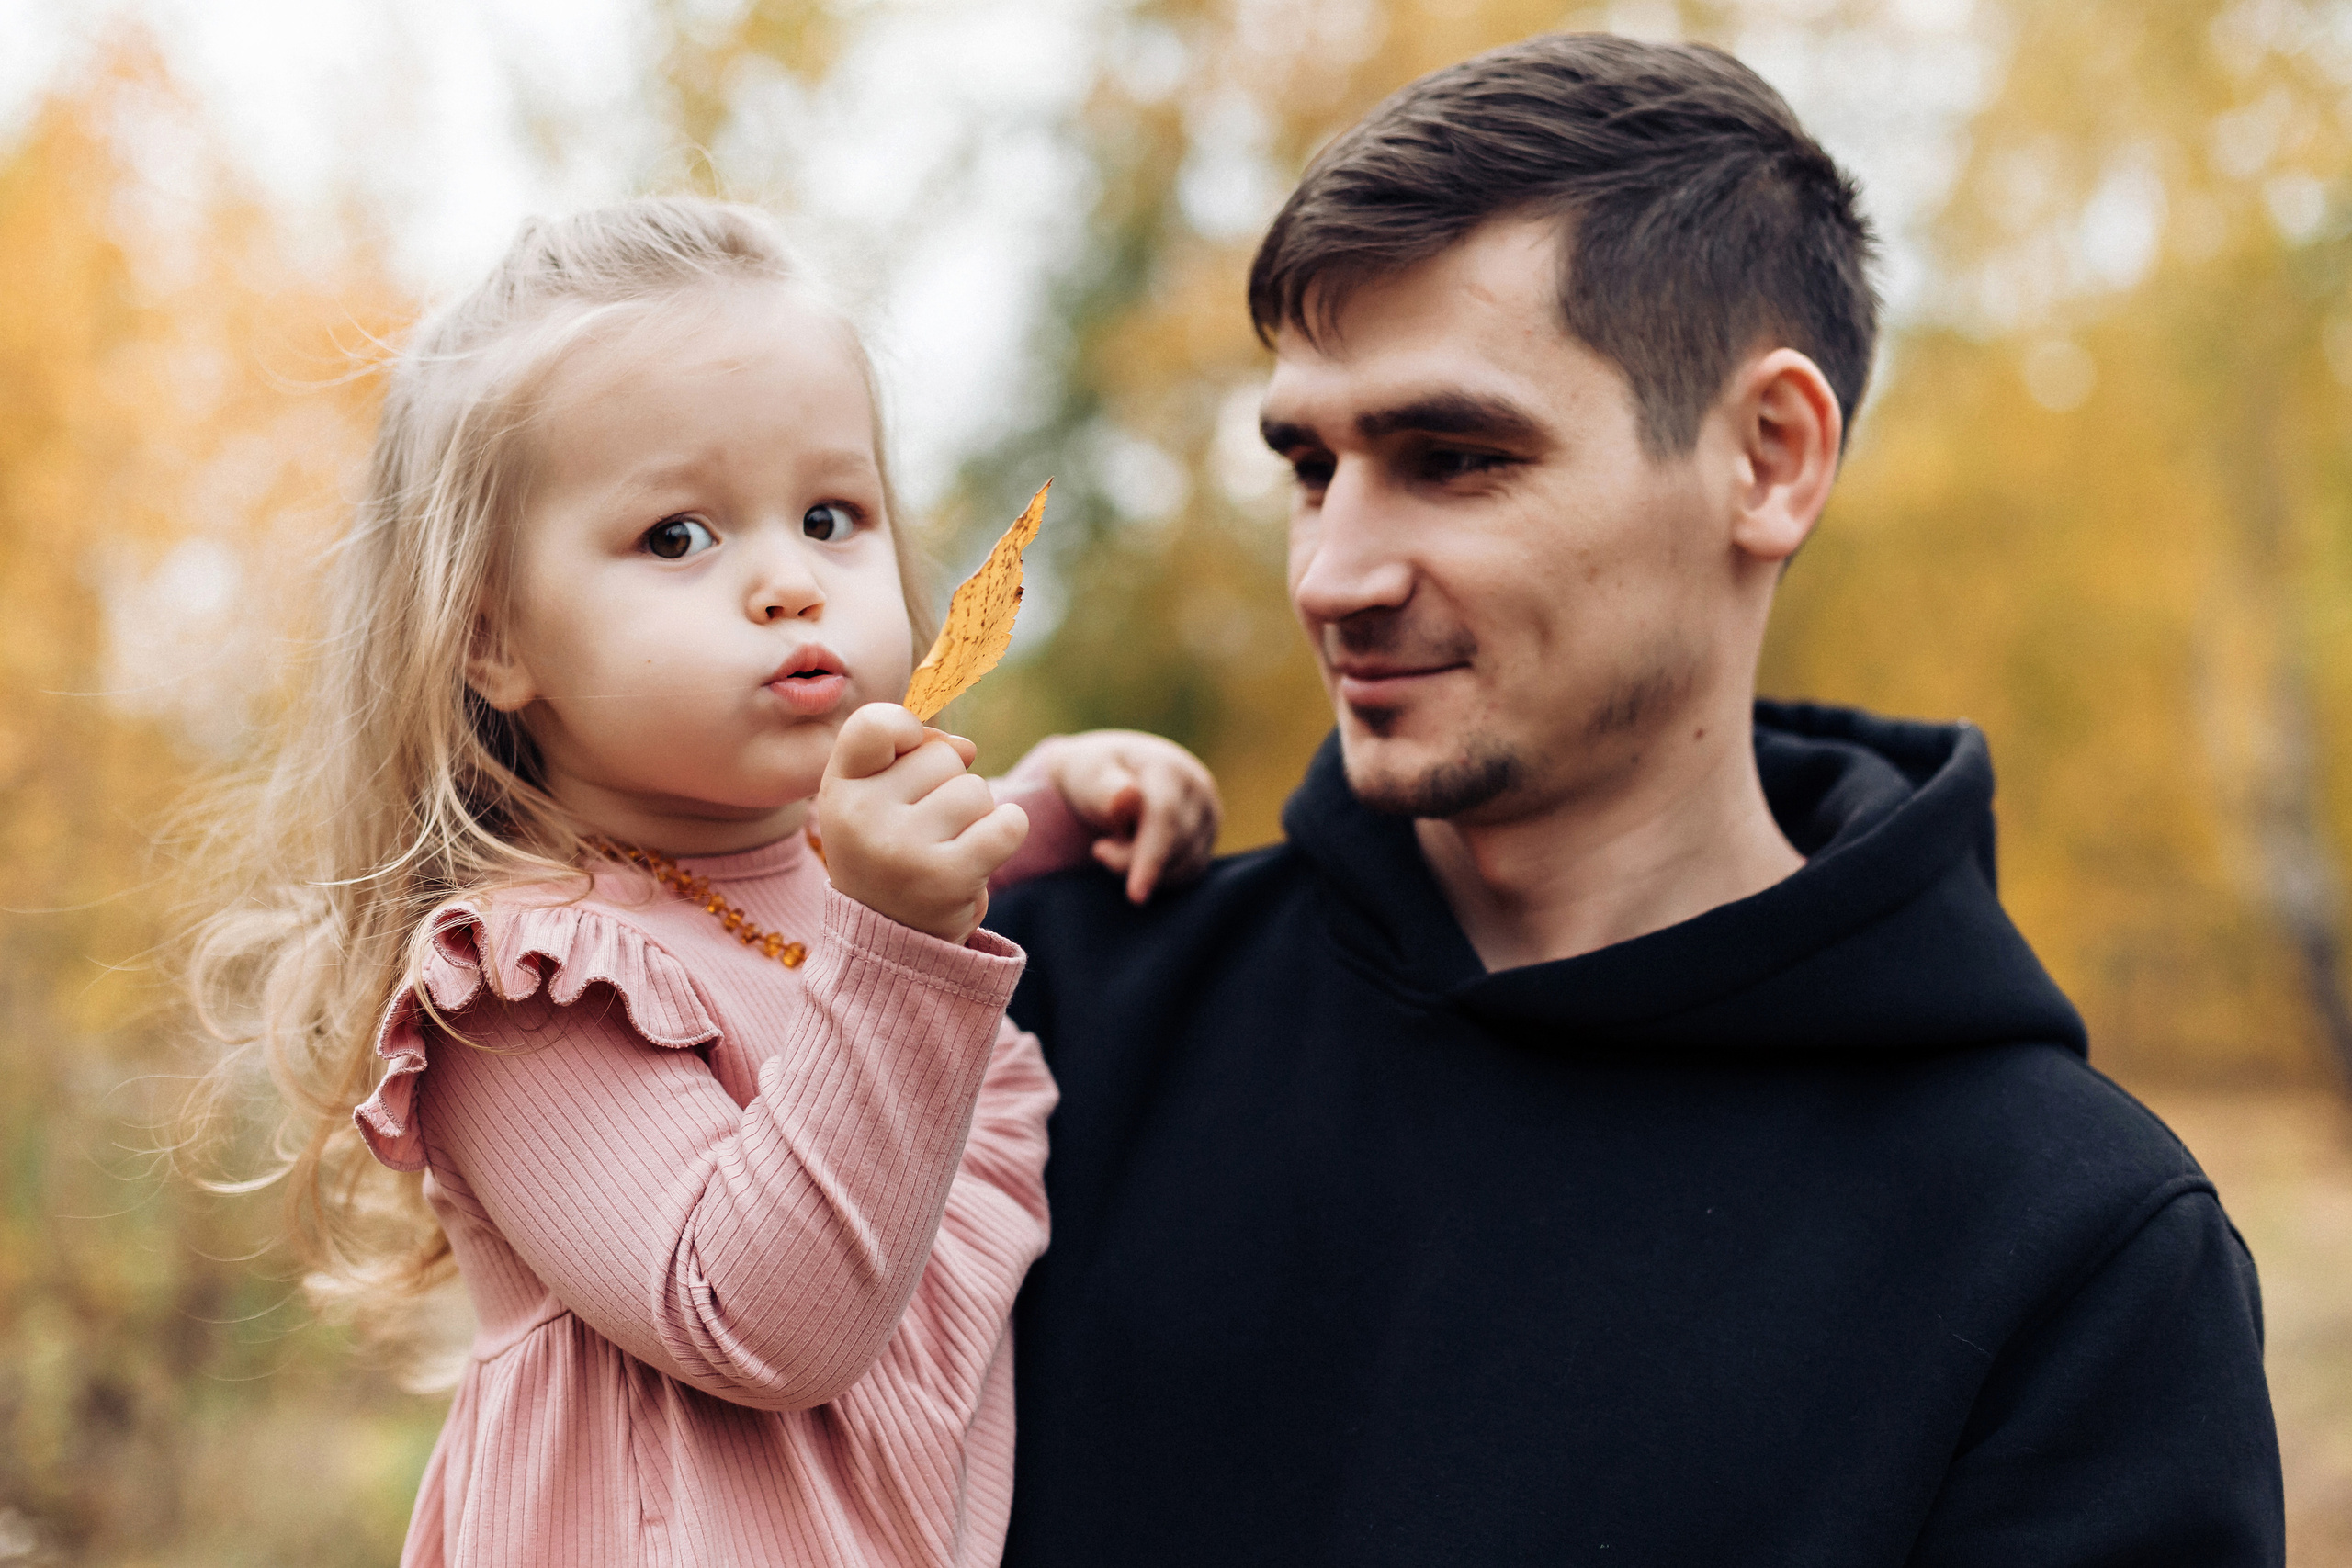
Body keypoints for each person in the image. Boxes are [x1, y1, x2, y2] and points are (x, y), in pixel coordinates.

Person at [988, 34, 2285, 1566]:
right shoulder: (1038, 1019)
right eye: (1311, 467)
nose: (1333, 575)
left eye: (1453, 457)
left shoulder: (2071, 1252)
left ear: (1769, 458)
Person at [183, 197, 1220, 1567]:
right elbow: (765, 1320)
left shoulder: (826, 871)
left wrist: (1043, 810)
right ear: (493, 639)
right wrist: (903, 937)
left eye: (831, 515)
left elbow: (798, 917)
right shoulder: (521, 988)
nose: (791, 581)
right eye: (678, 537)